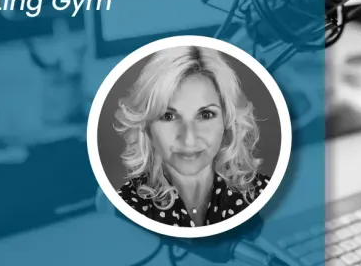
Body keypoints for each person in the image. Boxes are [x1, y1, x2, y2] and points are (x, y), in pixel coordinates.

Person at [115, 46, 271, 228]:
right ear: (147, 126)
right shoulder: (125, 209)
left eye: (205, 115)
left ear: (227, 120)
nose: (189, 140)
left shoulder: (261, 193)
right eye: (168, 116)